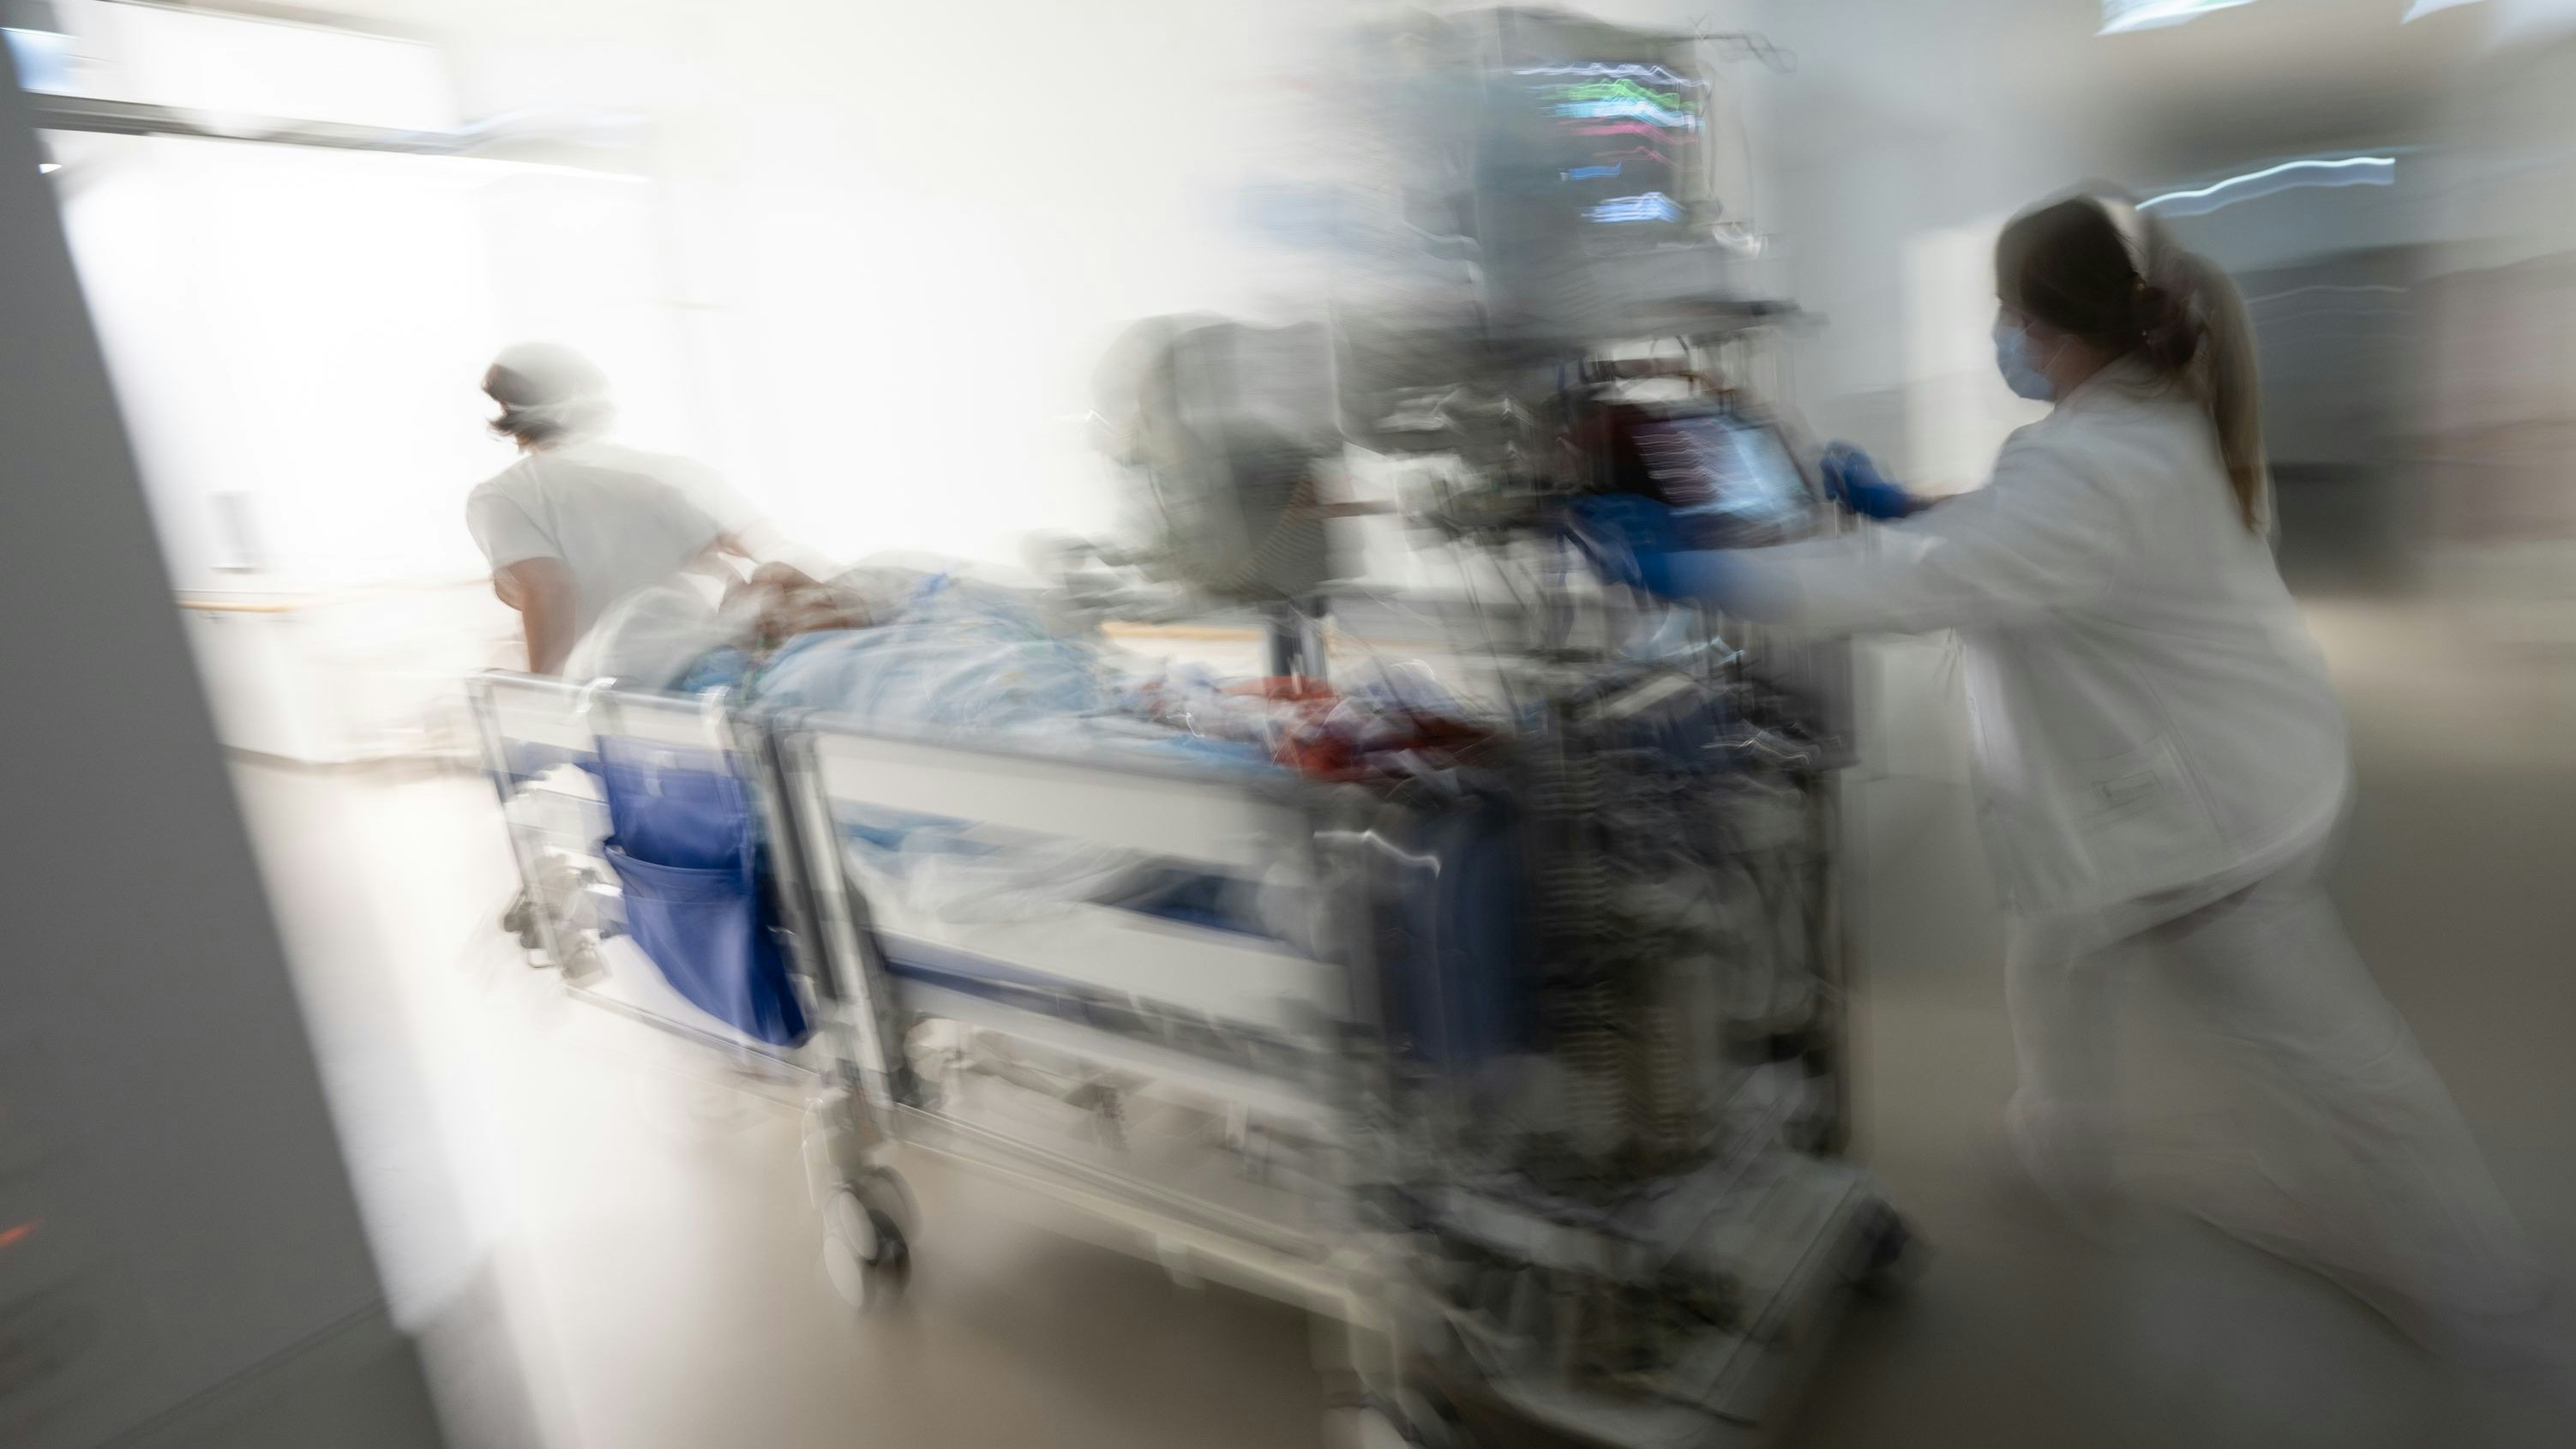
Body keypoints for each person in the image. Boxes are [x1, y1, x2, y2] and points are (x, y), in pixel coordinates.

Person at [1574, 191, 2553, 1362]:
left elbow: (1915, 585)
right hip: (2203, 773)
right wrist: (1916, 508)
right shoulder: (2141, 418)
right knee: (2052, 938)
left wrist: (1692, 571)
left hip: (2209, 824)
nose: (2002, 336)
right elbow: (2020, 538)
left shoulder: (2095, 466)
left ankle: (2476, 1280)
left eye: (2008, 314)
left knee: (2333, 1057)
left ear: (2049, 326)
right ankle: (2060, 1136)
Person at [466, 343, 818, 675]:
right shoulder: (676, 472)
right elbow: (769, 549)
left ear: (506, 407)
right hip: (713, 665)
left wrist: (546, 697)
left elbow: (550, 590)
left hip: (617, 686)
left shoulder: (502, 496)